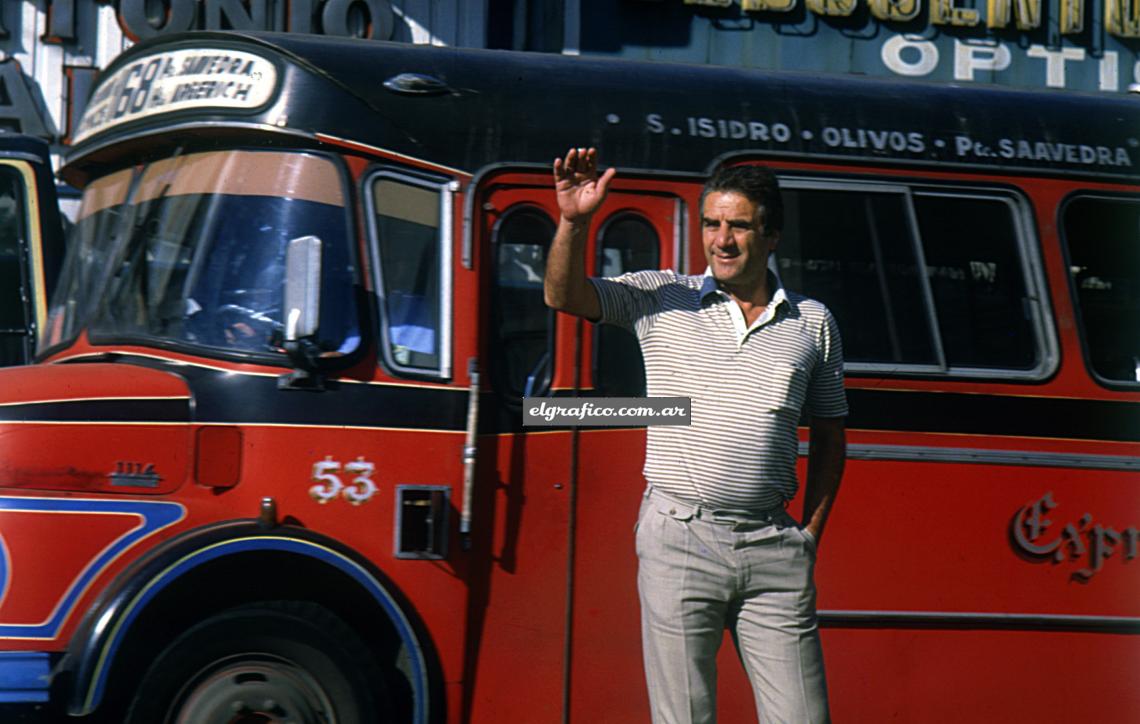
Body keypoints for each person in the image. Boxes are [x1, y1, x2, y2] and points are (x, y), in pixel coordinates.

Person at [544, 147, 847, 724]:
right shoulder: (660, 296)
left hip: (773, 549)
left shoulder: (814, 322)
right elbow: (563, 296)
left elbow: (831, 433)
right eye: (712, 223)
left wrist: (808, 533)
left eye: (739, 226)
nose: (722, 240)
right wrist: (574, 222)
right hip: (680, 539)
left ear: (772, 234)